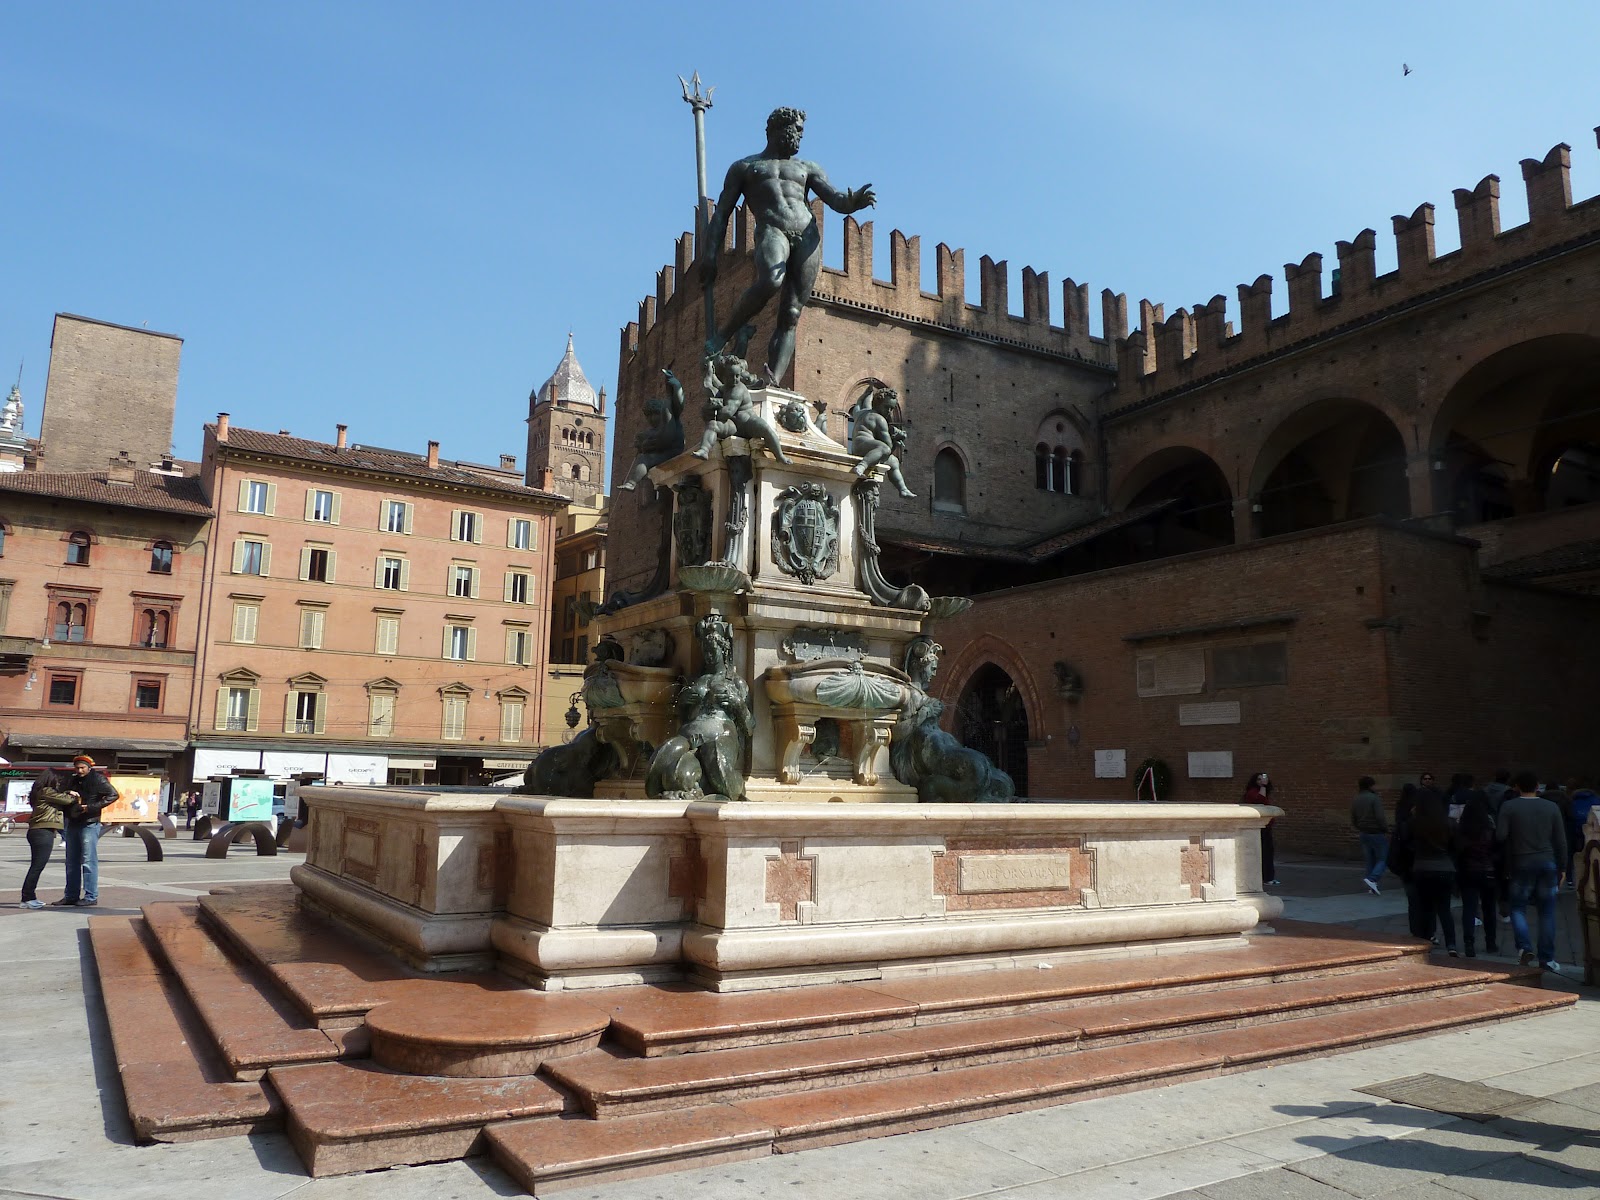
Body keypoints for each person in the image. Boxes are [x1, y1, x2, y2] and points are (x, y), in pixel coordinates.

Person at [702, 107, 877, 383]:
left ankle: (774, 382)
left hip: (807, 237)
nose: (799, 137)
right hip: (773, 230)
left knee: (792, 313)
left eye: (801, 132)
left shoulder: (807, 168)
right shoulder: (746, 168)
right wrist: (709, 255)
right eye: (796, 130)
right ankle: (723, 336)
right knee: (771, 279)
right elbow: (722, 214)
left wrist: (852, 203)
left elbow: (835, 199)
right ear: (776, 129)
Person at [1497, 769, 1566, 972]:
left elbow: (1500, 836)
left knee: (1517, 907)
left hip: (1520, 862)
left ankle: (1524, 947)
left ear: (1516, 787)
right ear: (1538, 786)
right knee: (1547, 911)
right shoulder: (1551, 807)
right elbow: (1561, 840)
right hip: (1547, 862)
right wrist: (1563, 867)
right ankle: (1547, 958)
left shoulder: (1509, 807)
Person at [1397, 787, 1459, 955]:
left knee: (1424, 908)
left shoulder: (1413, 823)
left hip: (1421, 867)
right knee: (1444, 909)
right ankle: (1451, 945)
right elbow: (1456, 848)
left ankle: (1424, 941)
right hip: (1445, 868)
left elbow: (1405, 844)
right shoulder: (1449, 823)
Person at [54, 754, 119, 908]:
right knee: (71, 861)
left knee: (88, 860)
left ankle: (90, 896)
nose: (80, 770)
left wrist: (91, 807)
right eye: (77, 768)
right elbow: (61, 793)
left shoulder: (98, 779)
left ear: (89, 768)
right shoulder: (72, 779)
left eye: (82, 767)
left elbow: (114, 795)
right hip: (73, 822)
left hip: (89, 823)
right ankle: (71, 895)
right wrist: (68, 794)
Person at [19, 770, 74, 909]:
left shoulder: (40, 791)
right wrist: (72, 794)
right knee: (37, 867)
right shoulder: (47, 791)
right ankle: (27, 898)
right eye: (57, 779)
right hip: (42, 832)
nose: (59, 782)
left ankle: (29, 897)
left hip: (39, 831)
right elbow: (67, 800)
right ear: (51, 779)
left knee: (36, 866)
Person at [849, 385, 916, 497]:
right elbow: (887, 446)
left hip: (859, 446)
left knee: (894, 461)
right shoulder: (880, 419)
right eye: (887, 407)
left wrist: (864, 395)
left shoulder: (862, 412)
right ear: (878, 403)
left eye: (891, 409)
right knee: (883, 448)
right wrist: (895, 438)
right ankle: (862, 465)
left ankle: (903, 489)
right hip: (864, 447)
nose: (889, 411)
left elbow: (857, 406)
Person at [1456, 791, 1499, 957]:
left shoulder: (1463, 828)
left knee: (1469, 908)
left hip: (1468, 871)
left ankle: (1469, 943)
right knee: (1489, 909)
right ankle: (1491, 942)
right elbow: (1497, 848)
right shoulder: (1490, 826)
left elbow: (1458, 851)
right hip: (1488, 871)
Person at [1350, 776, 1388, 895]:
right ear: (1370, 786)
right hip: (1376, 832)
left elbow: (1353, 817)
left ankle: (1371, 886)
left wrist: (1359, 827)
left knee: (1370, 860)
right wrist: (1384, 828)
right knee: (1383, 858)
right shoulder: (1374, 798)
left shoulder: (1356, 799)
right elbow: (1380, 817)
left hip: (1364, 832)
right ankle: (1373, 879)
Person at [1243, 771, 1277, 886]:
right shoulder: (1253, 792)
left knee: (1267, 851)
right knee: (1264, 852)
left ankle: (1267, 877)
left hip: (1265, 826)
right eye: (1258, 779)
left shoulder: (1263, 791)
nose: (1261, 781)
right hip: (1259, 827)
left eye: (1263, 779)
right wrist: (1263, 786)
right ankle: (1266, 878)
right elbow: (1261, 800)